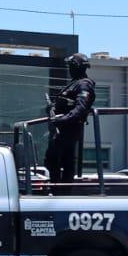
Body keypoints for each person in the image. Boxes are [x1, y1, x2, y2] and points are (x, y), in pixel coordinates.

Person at [45, 53, 97, 189]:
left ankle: (61, 192)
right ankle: (57, 190)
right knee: (53, 161)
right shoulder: (73, 84)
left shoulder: (84, 85)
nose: (69, 69)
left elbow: (80, 108)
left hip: (69, 129)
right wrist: (52, 108)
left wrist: (61, 119)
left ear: (76, 67)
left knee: (61, 161)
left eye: (70, 66)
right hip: (61, 130)